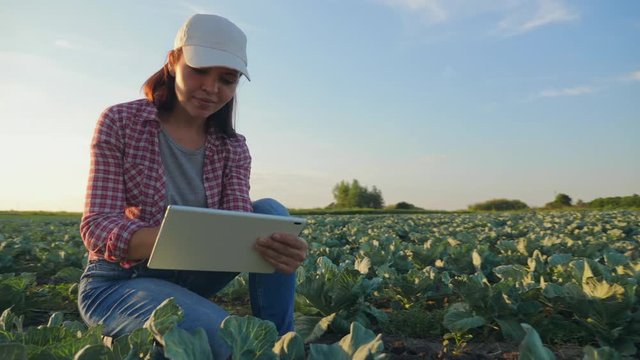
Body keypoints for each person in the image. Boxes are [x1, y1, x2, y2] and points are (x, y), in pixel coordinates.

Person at [77, 14, 308, 358]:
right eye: (200, 70)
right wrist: (180, 237)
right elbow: (97, 227)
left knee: (270, 212)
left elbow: (236, 229)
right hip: (120, 282)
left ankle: (280, 340)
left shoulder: (232, 146)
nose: (211, 88)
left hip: (194, 277)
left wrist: (281, 251)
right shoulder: (120, 121)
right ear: (173, 61)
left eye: (227, 80)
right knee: (228, 343)